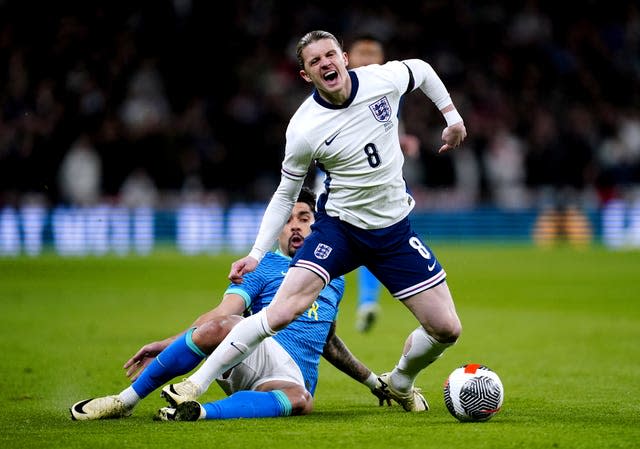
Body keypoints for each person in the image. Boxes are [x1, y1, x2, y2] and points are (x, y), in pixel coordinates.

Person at [162, 30, 466, 413]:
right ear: (306, 75)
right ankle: (195, 383)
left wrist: (452, 117)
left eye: (330, 55)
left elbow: (420, 70)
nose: (325, 63)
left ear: (344, 57)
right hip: (339, 229)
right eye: (315, 61)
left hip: (393, 231)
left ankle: (400, 381)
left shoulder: (380, 81)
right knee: (282, 311)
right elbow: (286, 194)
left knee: (446, 328)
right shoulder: (304, 127)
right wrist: (256, 254)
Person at [70, 187, 390, 421]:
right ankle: (123, 401)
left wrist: (375, 383)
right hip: (250, 352)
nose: (294, 226)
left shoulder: (334, 276)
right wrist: (171, 343)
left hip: (288, 380)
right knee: (226, 326)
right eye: (286, 221)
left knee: (302, 400)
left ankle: (197, 412)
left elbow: (329, 342)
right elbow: (223, 315)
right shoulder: (262, 266)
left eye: (304, 218)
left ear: (317, 227)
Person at [345, 34, 421, 333]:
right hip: (340, 181)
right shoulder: (339, 87)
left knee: (374, 235)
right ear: (348, 59)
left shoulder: (388, 87)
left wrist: (403, 139)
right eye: (362, 54)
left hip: (377, 178)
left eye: (373, 54)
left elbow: (386, 126)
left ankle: (365, 301)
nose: (367, 59)